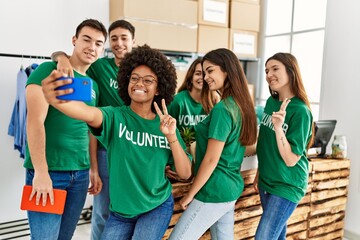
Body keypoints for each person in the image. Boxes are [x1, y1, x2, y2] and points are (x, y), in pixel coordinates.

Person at [42, 45, 192, 240]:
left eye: (148, 80)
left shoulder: (165, 124)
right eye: (135, 78)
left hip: (155, 207)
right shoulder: (115, 117)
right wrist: (56, 98)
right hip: (121, 212)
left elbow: (185, 172)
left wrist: (171, 136)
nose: (140, 84)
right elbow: (87, 113)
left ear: (158, 88)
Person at [24, 19, 107, 239]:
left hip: (79, 175)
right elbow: (34, 122)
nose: (92, 47)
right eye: (86, 40)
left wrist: (93, 169)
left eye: (99, 43)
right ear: (74, 40)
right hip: (49, 172)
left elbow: (88, 129)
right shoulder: (48, 70)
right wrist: (41, 173)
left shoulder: (91, 85)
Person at [53, 19, 136, 239]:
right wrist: (61, 57)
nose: (119, 43)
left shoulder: (141, 69)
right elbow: (70, 58)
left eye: (124, 38)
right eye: (114, 38)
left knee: (130, 209)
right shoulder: (100, 66)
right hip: (105, 149)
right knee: (102, 211)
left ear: (133, 41)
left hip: (135, 148)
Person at [168, 48, 258, 240]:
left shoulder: (223, 109)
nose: (206, 77)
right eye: (203, 72)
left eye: (210, 71)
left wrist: (191, 194)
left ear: (226, 70)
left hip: (214, 189)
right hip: (230, 187)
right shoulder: (239, 104)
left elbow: (211, 159)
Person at [254, 52, 313, 240]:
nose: (269, 74)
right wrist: (259, 172)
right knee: (277, 236)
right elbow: (265, 143)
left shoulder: (301, 111)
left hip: (287, 183)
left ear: (291, 71)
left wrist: (279, 128)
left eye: (275, 69)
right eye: (266, 70)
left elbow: (290, 159)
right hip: (267, 181)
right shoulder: (271, 102)